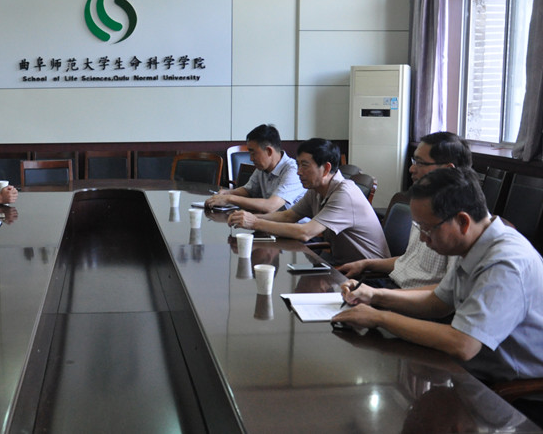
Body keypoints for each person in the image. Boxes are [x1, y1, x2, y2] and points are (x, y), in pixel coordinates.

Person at [334, 168, 543, 386]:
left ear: (462, 222)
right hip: (474, 371)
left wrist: (380, 318)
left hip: (512, 390)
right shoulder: (474, 244)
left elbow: (463, 344)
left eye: (427, 229)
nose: (423, 239)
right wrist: (375, 296)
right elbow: (437, 303)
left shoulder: (505, 263)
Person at [337, 131, 471, 288]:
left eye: (420, 163)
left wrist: (378, 296)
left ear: (447, 170)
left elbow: (448, 291)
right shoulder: (426, 209)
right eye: (414, 161)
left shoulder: (459, 222)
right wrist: (365, 264)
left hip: (409, 297)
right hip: (391, 286)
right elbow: (408, 262)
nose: (411, 169)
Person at [227, 138, 389, 264]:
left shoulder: (344, 194)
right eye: (298, 165)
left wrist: (254, 223)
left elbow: (305, 232)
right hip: (341, 266)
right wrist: (247, 217)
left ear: (326, 168)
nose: (299, 172)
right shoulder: (316, 189)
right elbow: (288, 216)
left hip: (368, 276)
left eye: (304, 165)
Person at [205, 124, 305, 212]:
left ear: (269, 151)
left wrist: (230, 198)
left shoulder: (293, 171)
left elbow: (271, 206)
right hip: (271, 221)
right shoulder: (262, 167)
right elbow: (248, 190)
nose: (251, 159)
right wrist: (228, 193)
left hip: (294, 225)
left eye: (253, 153)